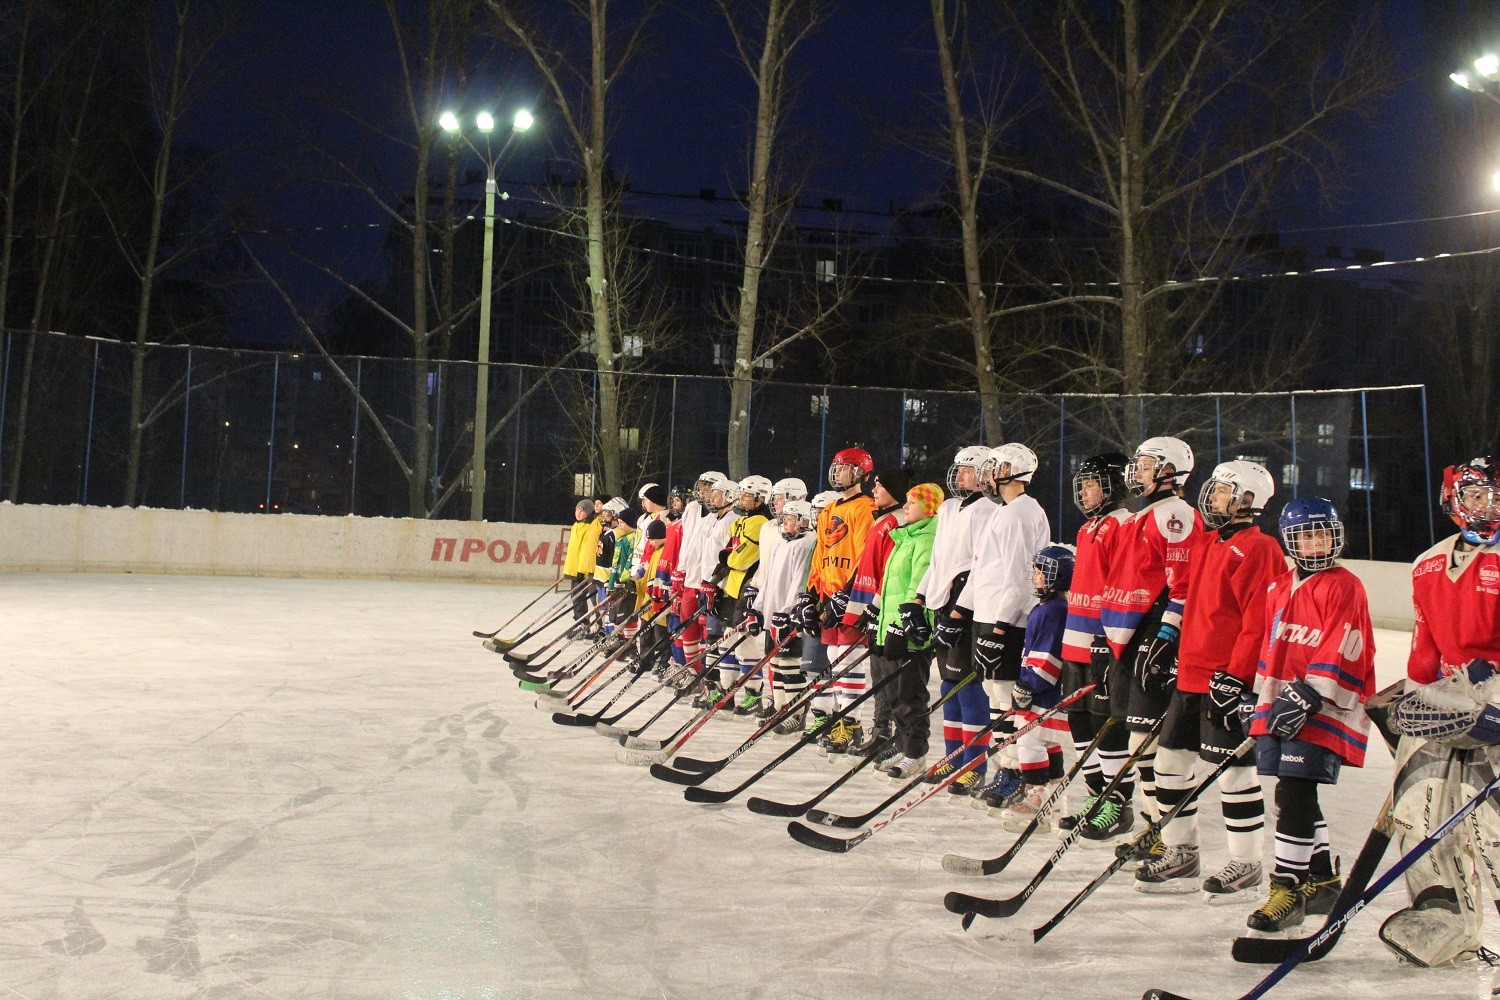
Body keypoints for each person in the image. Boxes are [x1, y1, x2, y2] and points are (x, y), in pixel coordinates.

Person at [1136, 461, 1281, 900]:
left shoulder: (1261, 549)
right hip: (1191, 676)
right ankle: (1182, 851)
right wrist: (1168, 644)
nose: (1212, 496)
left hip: (1226, 680)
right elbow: (1188, 601)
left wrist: (1237, 677)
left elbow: (1259, 621)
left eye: (1221, 491)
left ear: (1247, 500)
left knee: (1234, 773)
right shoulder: (1206, 541)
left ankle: (1247, 863)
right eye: (1215, 489)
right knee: (1169, 764)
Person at [1378, 457, 1500, 972]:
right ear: (1453, 500)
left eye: (1496, 495)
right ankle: (1444, 915)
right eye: (1477, 495)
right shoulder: (1428, 563)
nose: (1489, 505)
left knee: (1490, 822)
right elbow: (1425, 647)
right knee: (1419, 805)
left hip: (1495, 697)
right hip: (1449, 699)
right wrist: (1412, 698)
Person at [1243, 496, 1375, 934]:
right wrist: (1258, 698)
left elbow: (1346, 645)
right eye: (1307, 536)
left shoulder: (1345, 585)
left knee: (1296, 791)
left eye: (1324, 534)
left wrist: (1309, 695)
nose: (1317, 543)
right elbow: (1272, 648)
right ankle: (1321, 879)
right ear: (1291, 541)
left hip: (1323, 706)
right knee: (1292, 792)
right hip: (1282, 704)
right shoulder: (1278, 587)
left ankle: (1289, 888)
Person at [1089, 436, 1203, 846]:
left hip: (1152, 634)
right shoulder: (1140, 516)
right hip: (1129, 636)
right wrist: (1106, 634)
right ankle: (1153, 826)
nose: (1137, 471)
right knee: (1138, 741)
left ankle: (1162, 833)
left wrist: (1167, 634)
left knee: (1147, 741)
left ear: (1170, 471)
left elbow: (1184, 583)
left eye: (1146, 464)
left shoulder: (1176, 515)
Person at [955, 443, 1051, 803]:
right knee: (995, 696)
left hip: (1008, 621)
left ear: (1011, 470)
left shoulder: (1020, 513)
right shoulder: (1005, 510)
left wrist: (1000, 626)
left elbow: (1019, 575)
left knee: (1009, 696)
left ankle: (1016, 773)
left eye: (995, 467)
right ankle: (1005, 768)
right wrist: (962, 610)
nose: (989, 474)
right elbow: (984, 567)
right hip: (990, 615)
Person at [911, 446, 996, 784]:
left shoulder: (988, 510)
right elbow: (938, 561)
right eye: (959, 469)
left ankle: (974, 765)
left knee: (968, 684)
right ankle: (952, 756)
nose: (960, 476)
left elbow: (979, 567)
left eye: (968, 470)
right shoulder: (948, 508)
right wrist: (919, 598)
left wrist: (961, 610)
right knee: (948, 683)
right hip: (944, 604)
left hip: (967, 606)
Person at [1057, 454, 1131, 831]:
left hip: (1103, 643)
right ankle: (1095, 794)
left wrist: (1111, 638)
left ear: (1113, 486)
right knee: (1079, 720)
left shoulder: (1123, 524)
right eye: (1083, 485)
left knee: (1107, 724)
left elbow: (1123, 585)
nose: (1084, 492)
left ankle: (1117, 802)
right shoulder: (1088, 528)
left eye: (1092, 485)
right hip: (1076, 640)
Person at [826, 467, 911, 754]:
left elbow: (890, 570)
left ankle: (895, 736)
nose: (874, 490)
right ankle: (881, 731)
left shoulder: (897, 522)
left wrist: (874, 604)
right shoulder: (882, 519)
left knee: (891, 676)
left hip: (886, 609)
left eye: (879, 485)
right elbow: (866, 564)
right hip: (872, 607)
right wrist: (848, 592)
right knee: (879, 673)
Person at [793, 448, 876, 735]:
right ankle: (838, 718)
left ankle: (852, 724)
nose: (838, 472)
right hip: (829, 594)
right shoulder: (829, 509)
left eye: (844, 468)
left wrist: (849, 593)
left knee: (848, 657)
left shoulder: (865, 508)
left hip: (851, 597)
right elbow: (819, 557)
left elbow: (865, 556)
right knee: (832, 656)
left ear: (860, 473)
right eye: (837, 467)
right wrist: (810, 594)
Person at [866, 482, 944, 778]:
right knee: (895, 696)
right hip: (892, 628)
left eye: (913, 502)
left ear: (929, 507)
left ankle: (915, 753)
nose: (906, 506)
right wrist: (877, 614)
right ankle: (902, 746)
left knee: (910, 696)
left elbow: (916, 587)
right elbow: (890, 586)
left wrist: (902, 626)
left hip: (911, 632)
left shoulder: (927, 539)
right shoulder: (905, 537)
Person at [999, 544, 1077, 830]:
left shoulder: (1055, 610)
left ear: (1058, 576)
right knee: (1047, 742)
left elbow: (1049, 656)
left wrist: (1029, 685)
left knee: (1029, 741)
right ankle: (1056, 804)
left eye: (1040, 571)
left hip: (1046, 692)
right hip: (1043, 690)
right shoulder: (1046, 607)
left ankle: (1037, 797)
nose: (1035, 576)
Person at [751, 499, 818, 728]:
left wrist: (788, 612)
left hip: (787, 616)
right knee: (776, 663)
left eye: (791, 519)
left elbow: (800, 582)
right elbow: (769, 579)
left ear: (804, 521)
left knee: (790, 664)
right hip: (774, 616)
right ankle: (781, 709)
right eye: (785, 519)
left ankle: (796, 712)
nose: (786, 523)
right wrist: (758, 607)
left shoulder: (807, 543)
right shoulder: (781, 543)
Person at [709, 475, 773, 714]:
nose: (741, 499)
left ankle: (754, 693)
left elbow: (740, 559)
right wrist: (715, 578)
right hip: (732, 588)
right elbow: (727, 552)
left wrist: (728, 558)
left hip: (747, 591)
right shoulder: (741, 521)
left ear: (760, 499)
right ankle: (727, 689)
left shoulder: (760, 523)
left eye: (747, 495)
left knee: (744, 643)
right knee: (728, 640)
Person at [562, 499, 603, 628]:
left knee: (588, 597)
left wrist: (581, 570)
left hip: (584, 570)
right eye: (577, 510)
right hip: (574, 569)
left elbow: (585, 551)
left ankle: (596, 623)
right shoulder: (576, 525)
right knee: (576, 597)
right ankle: (581, 623)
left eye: (582, 510)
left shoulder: (589, 527)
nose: (578, 513)